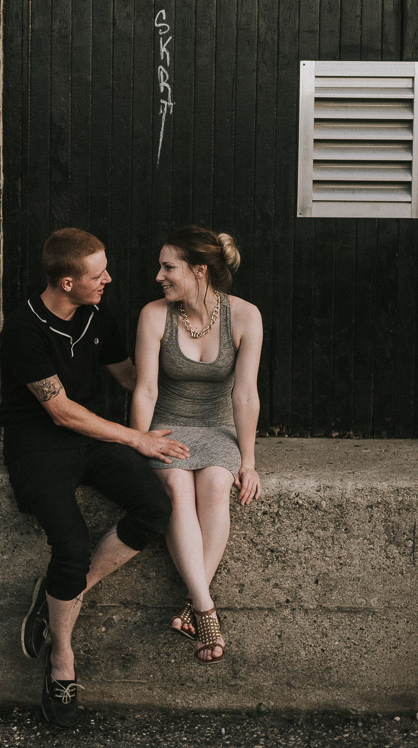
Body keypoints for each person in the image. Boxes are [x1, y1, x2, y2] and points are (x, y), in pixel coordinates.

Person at [0, 228, 189, 728]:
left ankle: (61, 593)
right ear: (66, 282)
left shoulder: (96, 315)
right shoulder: (24, 329)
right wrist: (136, 439)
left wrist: (193, 383)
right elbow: (60, 411)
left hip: (92, 438)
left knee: (155, 508)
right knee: (72, 544)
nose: (108, 279)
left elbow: (128, 376)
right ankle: (61, 661)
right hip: (39, 444)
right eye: (96, 274)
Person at [130, 224, 262, 665]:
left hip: (217, 427)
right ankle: (205, 611)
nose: (159, 275)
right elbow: (145, 389)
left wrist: (248, 461)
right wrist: (141, 440)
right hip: (167, 426)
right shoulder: (154, 315)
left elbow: (245, 395)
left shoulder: (245, 316)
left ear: (199, 271)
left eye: (169, 267)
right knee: (177, 493)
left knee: (215, 489)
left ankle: (192, 605)